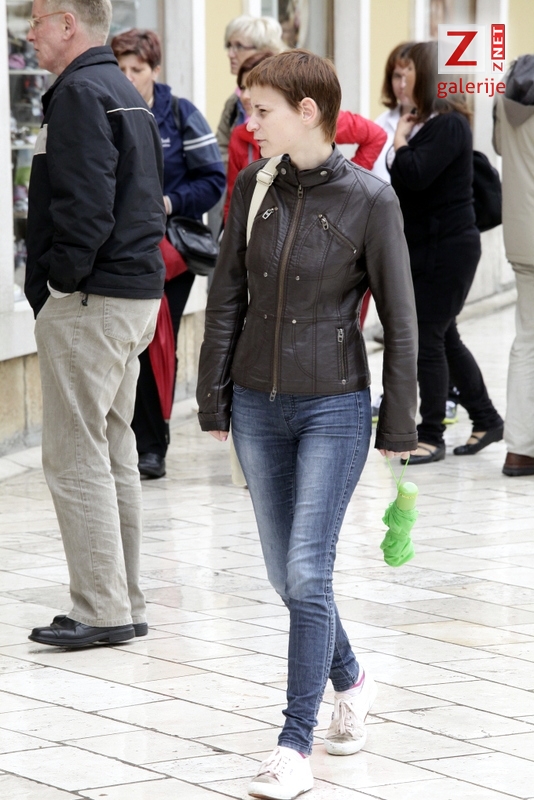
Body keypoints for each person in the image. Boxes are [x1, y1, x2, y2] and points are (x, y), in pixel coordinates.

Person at [196, 50, 418, 799]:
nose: (249, 123)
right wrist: (213, 394)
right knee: (284, 574)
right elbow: (226, 295)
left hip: (335, 405)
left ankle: (294, 744)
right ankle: (352, 679)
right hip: (257, 403)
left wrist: (400, 422)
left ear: (307, 111)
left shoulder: (371, 200)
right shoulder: (253, 187)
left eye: (261, 110)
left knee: (307, 570)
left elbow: (402, 320)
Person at [24, 0, 166, 647]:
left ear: (68, 24)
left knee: (76, 456)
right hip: (130, 295)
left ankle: (102, 610)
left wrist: (59, 280)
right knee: (112, 453)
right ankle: (122, 601)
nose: (29, 32)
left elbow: (85, 205)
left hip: (93, 299)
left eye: (36, 20)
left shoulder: (81, 92)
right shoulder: (120, 89)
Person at [111, 29, 225, 479]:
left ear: (154, 70)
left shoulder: (180, 114)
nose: (127, 76)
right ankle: (127, 440)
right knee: (125, 343)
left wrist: (169, 202)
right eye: (120, 68)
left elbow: (212, 180)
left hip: (170, 249)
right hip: (118, 247)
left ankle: (153, 445)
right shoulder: (104, 109)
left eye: (136, 69)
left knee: (157, 340)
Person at [389, 41, 503, 465]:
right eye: (397, 74)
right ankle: (487, 419)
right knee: (444, 335)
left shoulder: (449, 125)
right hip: (433, 248)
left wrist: (400, 142)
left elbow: (414, 175)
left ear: (429, 78)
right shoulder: (431, 125)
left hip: (447, 250)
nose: (401, 82)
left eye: (409, 73)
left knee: (428, 338)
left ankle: (431, 435)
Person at [224, 51, 387, 221]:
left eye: (263, 110)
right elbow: (232, 208)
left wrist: (349, 181)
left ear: (307, 112)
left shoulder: (319, 121)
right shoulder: (243, 151)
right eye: (242, 87)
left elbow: (375, 135)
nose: (244, 96)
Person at [493, 55, 534, 477]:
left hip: (522, 239)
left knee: (527, 341)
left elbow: (502, 148)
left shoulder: (505, 100)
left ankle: (520, 450)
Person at [216, 15, 285, 166]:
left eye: (239, 46)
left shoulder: (286, 96)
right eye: (229, 46)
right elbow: (221, 151)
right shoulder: (233, 102)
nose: (230, 54)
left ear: (264, 51)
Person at [371, 41, 415, 182]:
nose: (403, 84)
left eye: (408, 76)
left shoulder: (436, 122)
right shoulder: (380, 123)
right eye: (397, 76)